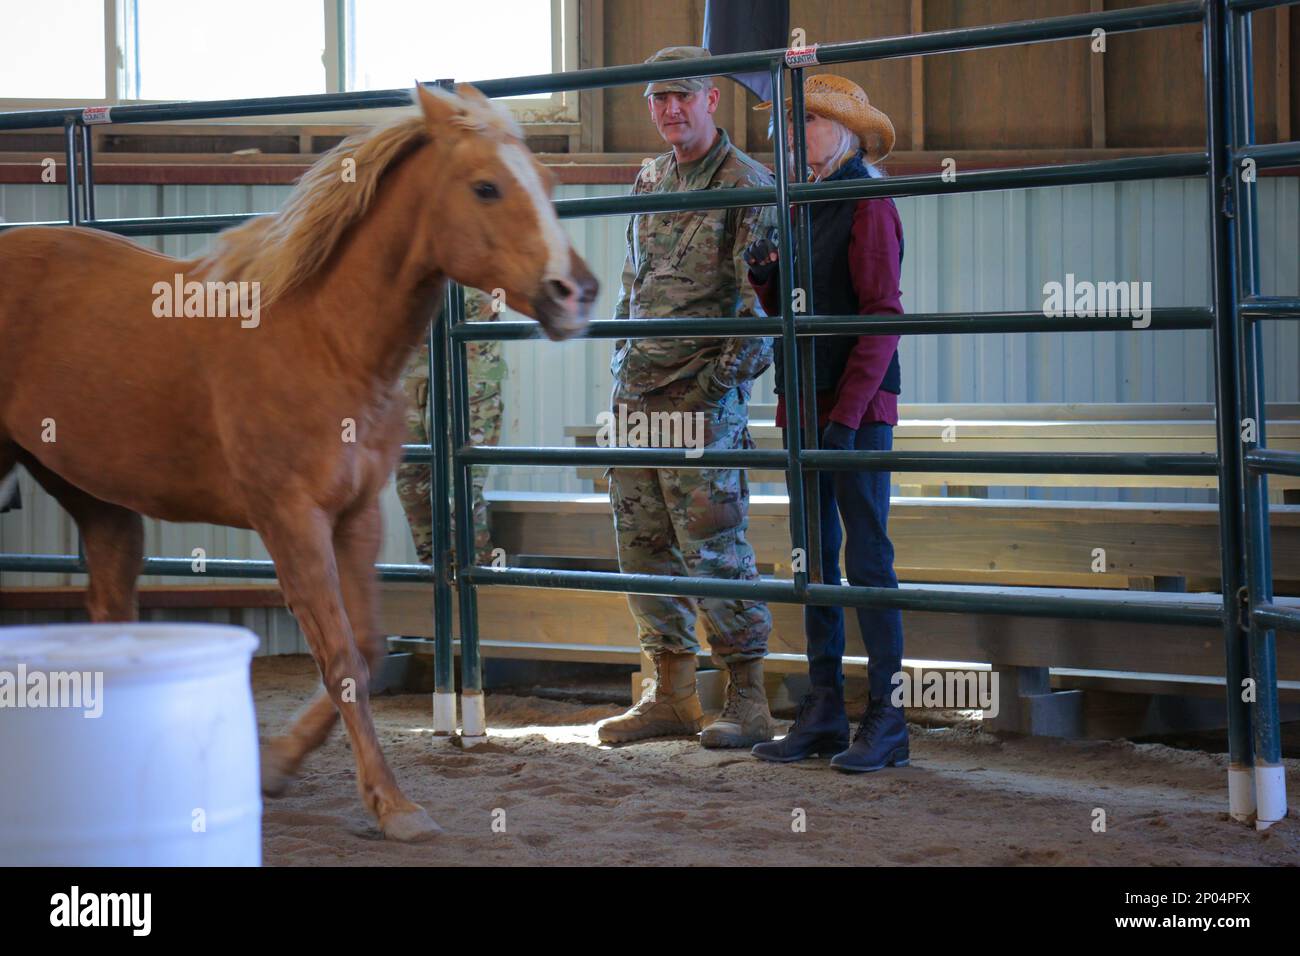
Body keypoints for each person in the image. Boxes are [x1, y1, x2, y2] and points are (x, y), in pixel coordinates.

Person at [595, 46, 779, 748]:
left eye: (684, 96)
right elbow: (631, 285)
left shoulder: (746, 184)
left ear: (712, 101)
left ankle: (749, 699)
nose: (671, 109)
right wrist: (623, 364)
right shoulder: (648, 180)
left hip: (699, 402)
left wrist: (710, 388)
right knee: (641, 547)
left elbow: (761, 312)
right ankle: (671, 693)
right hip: (636, 397)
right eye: (658, 98)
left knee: (714, 548)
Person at [745, 73, 909, 773]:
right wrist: (763, 278)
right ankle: (822, 707)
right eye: (788, 123)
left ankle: (886, 714)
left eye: (804, 121)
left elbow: (881, 316)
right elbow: (794, 302)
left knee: (866, 557)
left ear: (837, 130)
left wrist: (846, 414)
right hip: (807, 403)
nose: (789, 134)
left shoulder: (865, 199)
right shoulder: (800, 203)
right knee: (813, 553)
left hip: (853, 409)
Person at [396, 287, 503, 568]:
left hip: (466, 356)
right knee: (412, 483)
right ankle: (438, 581)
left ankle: (476, 585)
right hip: (412, 353)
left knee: (458, 487)